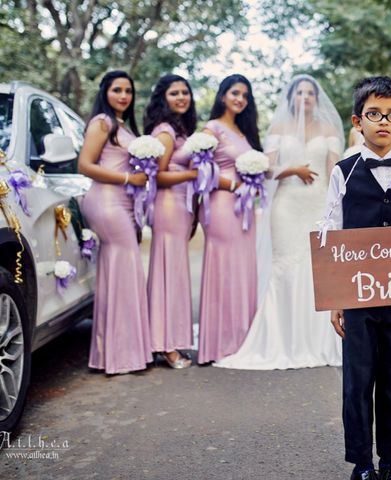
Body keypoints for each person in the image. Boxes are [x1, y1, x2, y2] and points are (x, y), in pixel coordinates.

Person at [327, 76, 391, 480]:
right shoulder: (344, 172)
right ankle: (362, 464)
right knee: (357, 380)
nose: (382, 122)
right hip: (356, 295)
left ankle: (389, 462)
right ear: (358, 121)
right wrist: (337, 297)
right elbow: (332, 234)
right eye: (374, 114)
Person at [215, 74, 343, 370]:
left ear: (317, 99)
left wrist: (335, 209)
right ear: (291, 99)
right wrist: (292, 169)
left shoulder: (327, 129)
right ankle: (283, 339)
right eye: (300, 93)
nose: (306, 98)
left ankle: (318, 340)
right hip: (286, 205)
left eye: (310, 93)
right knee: (285, 267)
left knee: (317, 269)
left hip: (318, 203)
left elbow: (334, 170)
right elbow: (267, 168)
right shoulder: (280, 129)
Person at [79, 71, 153, 375]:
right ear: (105, 92)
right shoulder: (102, 123)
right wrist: (127, 178)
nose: (123, 96)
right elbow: (84, 165)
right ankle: (121, 355)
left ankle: (114, 352)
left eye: (128, 91)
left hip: (123, 202)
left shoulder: (122, 125)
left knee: (119, 272)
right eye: (116, 90)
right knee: (125, 269)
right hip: (106, 202)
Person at [197, 74, 262, 365]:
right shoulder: (212, 129)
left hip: (245, 207)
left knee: (242, 268)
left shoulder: (242, 131)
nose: (240, 99)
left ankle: (241, 338)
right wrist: (236, 185)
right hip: (223, 205)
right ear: (223, 95)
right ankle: (220, 343)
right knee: (225, 267)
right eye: (235, 93)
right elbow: (203, 172)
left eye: (245, 96)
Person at [144, 74, 199, 369]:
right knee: (168, 273)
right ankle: (165, 345)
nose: (181, 97)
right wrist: (193, 174)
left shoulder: (180, 130)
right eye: (174, 93)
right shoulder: (165, 131)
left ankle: (168, 339)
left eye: (185, 92)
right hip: (167, 205)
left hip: (180, 206)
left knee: (173, 273)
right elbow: (159, 174)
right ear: (163, 98)